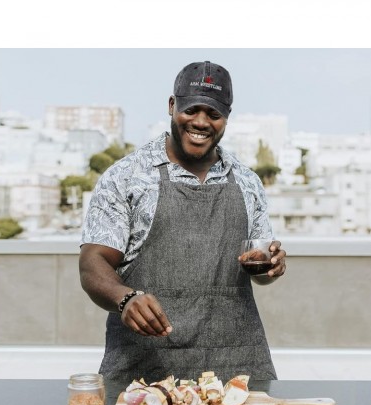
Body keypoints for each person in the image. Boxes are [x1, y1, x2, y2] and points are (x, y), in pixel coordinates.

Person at [79, 60, 286, 383]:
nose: (201, 122)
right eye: (192, 110)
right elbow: (93, 262)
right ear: (172, 105)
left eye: (213, 114)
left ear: (226, 118)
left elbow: (260, 271)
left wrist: (271, 265)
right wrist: (126, 298)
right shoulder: (126, 176)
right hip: (145, 369)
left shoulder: (247, 181)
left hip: (238, 365)